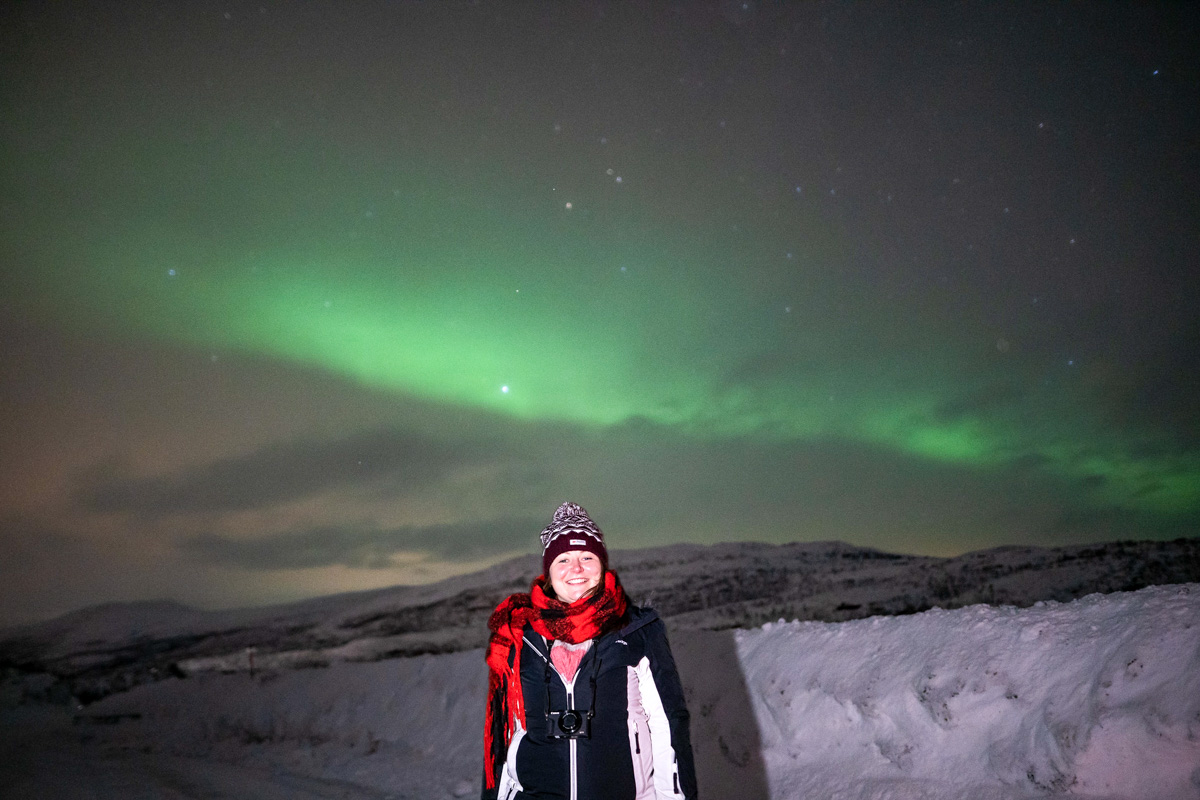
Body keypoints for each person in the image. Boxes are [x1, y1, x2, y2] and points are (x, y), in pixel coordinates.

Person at [483, 502, 698, 800]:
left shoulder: (636, 630)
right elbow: (503, 736)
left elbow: (667, 727)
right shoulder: (520, 635)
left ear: (602, 564)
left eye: (587, 556)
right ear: (548, 571)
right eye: (563, 560)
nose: (576, 568)